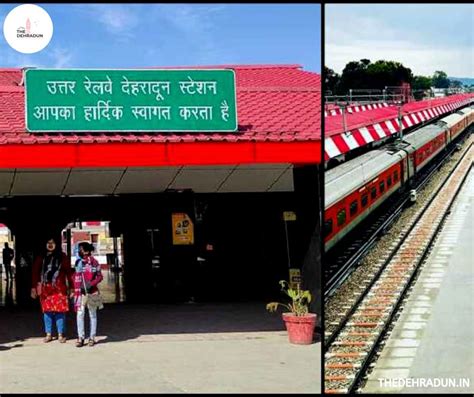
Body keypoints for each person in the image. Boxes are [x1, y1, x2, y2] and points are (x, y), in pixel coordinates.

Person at [31, 237, 73, 343]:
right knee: (47, 312)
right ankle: (48, 334)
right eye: (48, 243)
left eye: (53, 243)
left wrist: (72, 287)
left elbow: (68, 273)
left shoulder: (62, 257)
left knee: (60, 312)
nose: (50, 245)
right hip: (46, 290)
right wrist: (33, 288)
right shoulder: (41, 257)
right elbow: (35, 273)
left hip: (60, 289)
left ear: (56, 244)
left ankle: (60, 334)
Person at [72, 242, 103, 347]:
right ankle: (80, 337)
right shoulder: (78, 262)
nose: (79, 251)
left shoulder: (95, 263)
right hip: (80, 292)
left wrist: (92, 284)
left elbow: (100, 276)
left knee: (92, 314)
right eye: (79, 249)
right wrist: (75, 287)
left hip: (92, 291)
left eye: (81, 249)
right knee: (80, 314)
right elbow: (74, 276)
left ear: (87, 251)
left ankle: (92, 337)